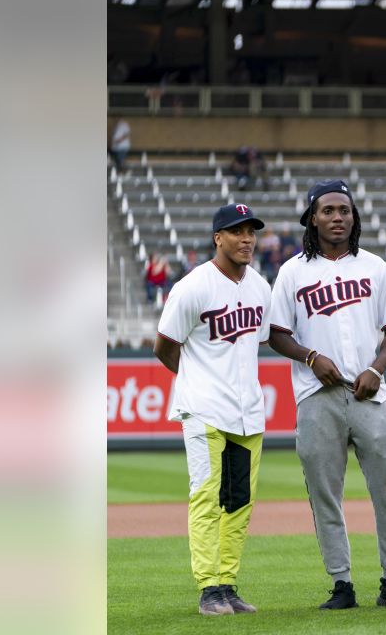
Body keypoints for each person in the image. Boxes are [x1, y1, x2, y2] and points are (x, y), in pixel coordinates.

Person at [267, 180, 386, 611]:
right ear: (312, 218)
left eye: (345, 210)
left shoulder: (374, 267)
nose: (337, 217)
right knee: (325, 494)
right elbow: (277, 335)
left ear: (354, 217)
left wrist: (377, 368)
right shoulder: (292, 271)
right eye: (328, 210)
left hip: (369, 394)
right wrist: (310, 357)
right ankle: (341, 584)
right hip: (315, 395)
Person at [153, 203, 272, 616]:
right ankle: (208, 588)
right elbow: (165, 345)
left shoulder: (259, 286)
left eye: (251, 231)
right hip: (203, 408)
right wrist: (196, 379)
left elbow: (254, 341)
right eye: (236, 231)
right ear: (217, 238)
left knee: (239, 501)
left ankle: (228, 583)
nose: (246, 239)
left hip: (248, 411)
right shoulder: (193, 286)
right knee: (206, 496)